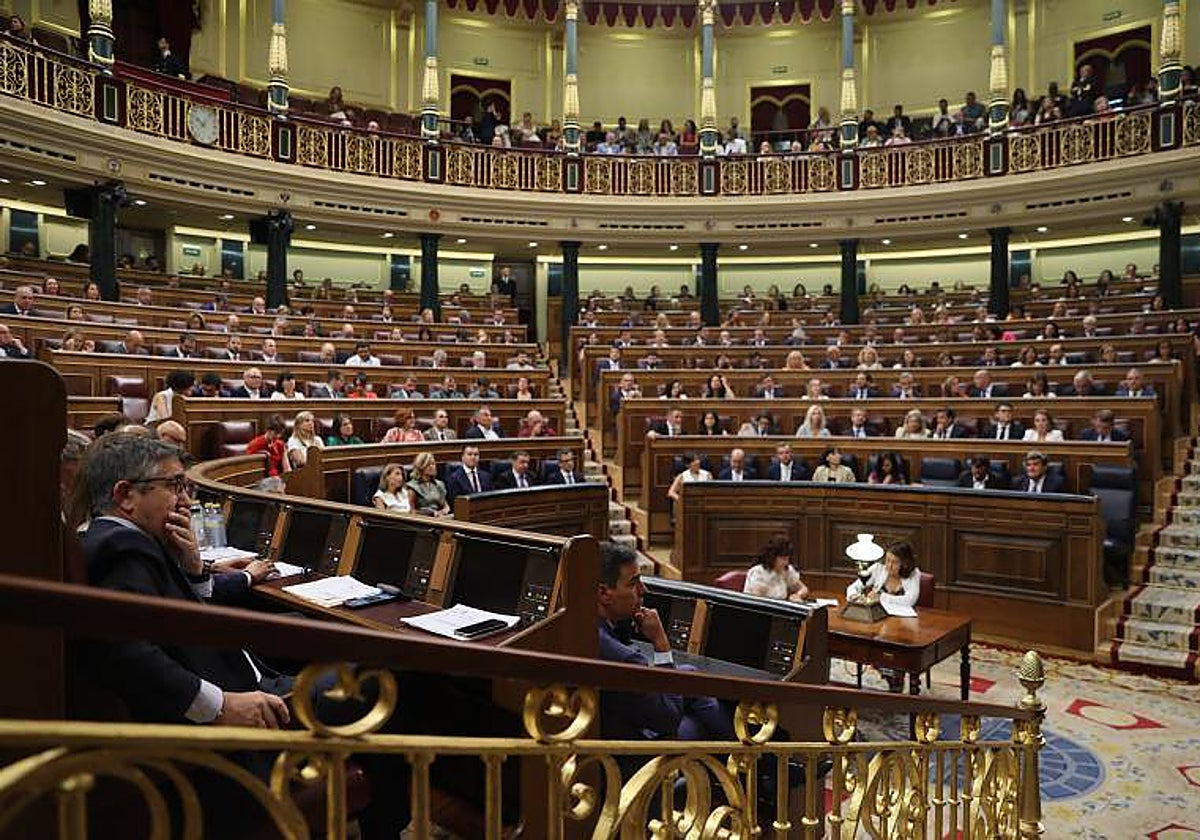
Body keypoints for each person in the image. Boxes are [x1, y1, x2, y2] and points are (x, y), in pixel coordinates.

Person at [596, 542, 734, 752]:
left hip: (605, 734)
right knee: (697, 720)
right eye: (634, 583)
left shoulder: (579, 626)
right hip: (631, 755)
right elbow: (668, 718)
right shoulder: (625, 659)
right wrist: (661, 644)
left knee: (690, 676)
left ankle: (751, 761)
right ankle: (752, 759)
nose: (644, 590)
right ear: (604, 593)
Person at [845, 541, 922, 609]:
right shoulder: (878, 568)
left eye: (895, 562)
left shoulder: (913, 573)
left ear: (905, 563)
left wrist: (881, 597)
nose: (889, 566)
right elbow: (853, 587)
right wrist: (854, 596)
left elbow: (910, 601)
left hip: (903, 620)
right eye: (888, 560)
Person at [743, 535, 810, 602]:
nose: (786, 562)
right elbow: (757, 602)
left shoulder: (786, 570)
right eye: (783, 559)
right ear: (772, 557)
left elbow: (804, 588)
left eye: (787, 559)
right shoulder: (758, 573)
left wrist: (798, 595)